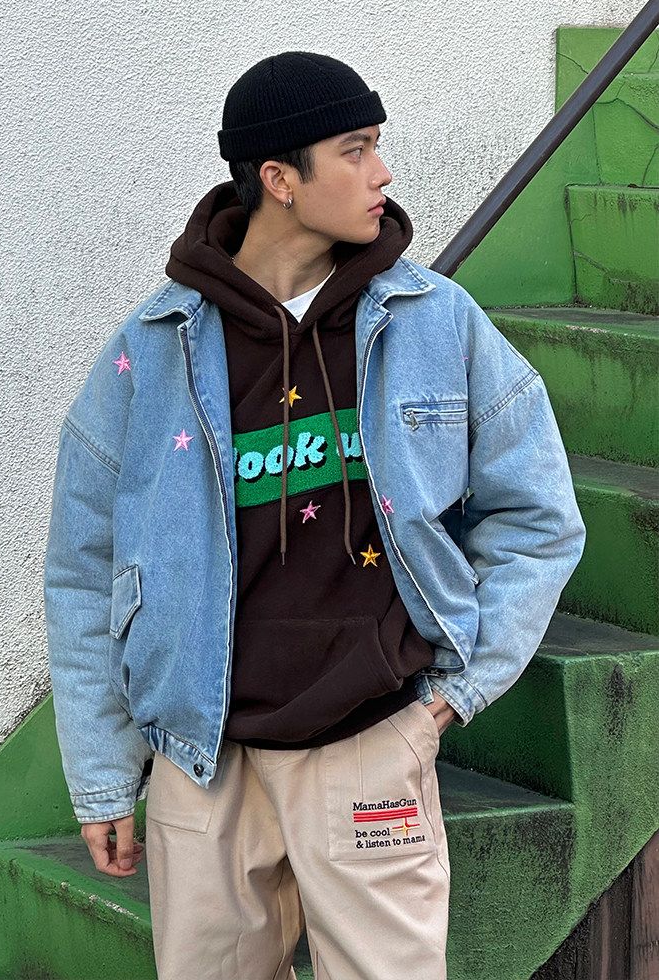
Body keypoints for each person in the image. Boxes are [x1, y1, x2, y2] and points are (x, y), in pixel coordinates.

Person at [44, 52, 585, 980]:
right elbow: (84, 567)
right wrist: (104, 773)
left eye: (378, 146)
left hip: (370, 738)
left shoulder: (435, 322)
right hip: (203, 757)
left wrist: (454, 694)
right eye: (356, 149)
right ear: (279, 179)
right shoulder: (154, 350)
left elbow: (538, 517)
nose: (383, 173)